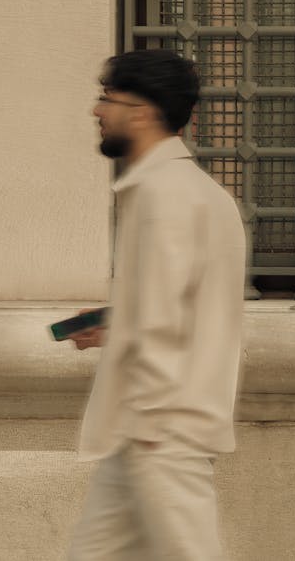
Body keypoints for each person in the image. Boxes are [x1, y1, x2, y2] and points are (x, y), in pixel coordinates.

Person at [65, 49, 246, 561]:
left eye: (107, 99)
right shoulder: (198, 192)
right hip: (149, 428)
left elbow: (164, 322)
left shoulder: (163, 194)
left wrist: (151, 423)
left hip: (161, 429)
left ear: (141, 112)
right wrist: (112, 326)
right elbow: (175, 308)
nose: (97, 111)